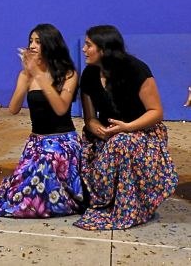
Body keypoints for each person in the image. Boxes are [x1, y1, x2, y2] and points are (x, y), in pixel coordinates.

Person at [74, 25, 177, 230]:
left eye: (88, 45)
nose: (84, 49)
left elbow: (156, 112)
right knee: (89, 149)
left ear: (104, 49)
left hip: (142, 133)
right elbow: (90, 118)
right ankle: (102, 199)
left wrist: (127, 128)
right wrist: (99, 130)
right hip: (107, 134)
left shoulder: (136, 70)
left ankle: (128, 206)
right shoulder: (89, 74)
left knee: (121, 143)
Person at [0, 24, 83, 217]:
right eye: (31, 41)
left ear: (50, 44)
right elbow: (13, 109)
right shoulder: (26, 75)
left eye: (38, 41)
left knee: (46, 170)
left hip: (62, 142)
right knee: (20, 194)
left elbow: (61, 108)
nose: (32, 45)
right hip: (36, 143)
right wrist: (27, 77)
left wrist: (39, 75)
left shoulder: (68, 74)